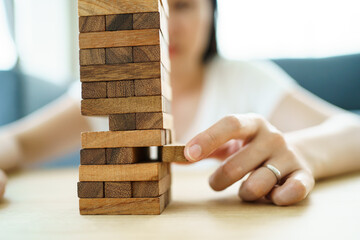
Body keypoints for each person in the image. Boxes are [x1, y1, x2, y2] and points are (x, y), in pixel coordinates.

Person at [0, 0, 359, 205]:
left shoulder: (245, 79)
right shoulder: (104, 93)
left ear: (212, 13)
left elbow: (353, 130)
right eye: (147, 5)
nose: (164, 24)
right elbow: (15, 141)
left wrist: (302, 152)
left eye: (183, 4)